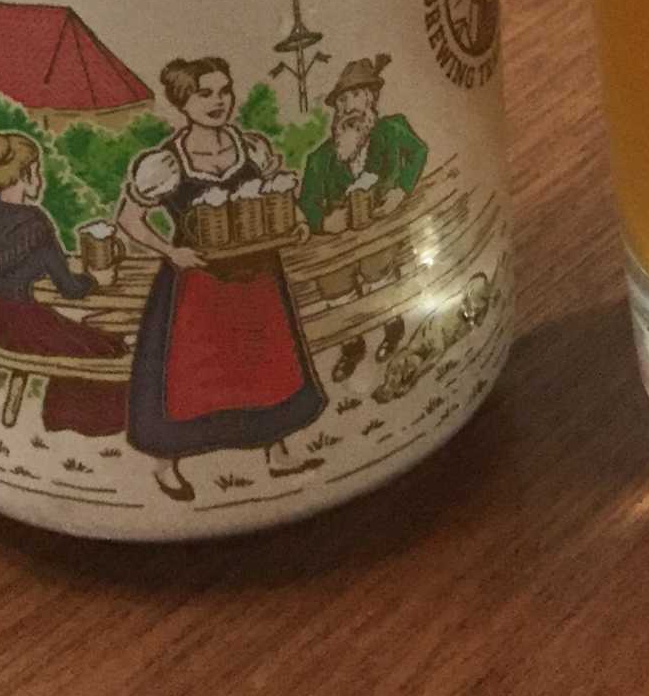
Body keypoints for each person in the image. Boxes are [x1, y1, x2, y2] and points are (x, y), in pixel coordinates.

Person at [117, 56, 326, 503]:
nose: (218, 102)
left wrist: (293, 221)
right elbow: (129, 219)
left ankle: (277, 452)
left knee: (265, 360)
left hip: (256, 277)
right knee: (192, 372)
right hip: (198, 284)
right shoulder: (166, 162)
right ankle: (166, 464)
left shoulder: (249, 147)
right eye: (204, 94)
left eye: (224, 91)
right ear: (183, 102)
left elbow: (274, 195)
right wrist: (171, 251)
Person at [0, 132, 128, 437]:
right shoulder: (36, 224)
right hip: (24, 322)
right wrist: (96, 279)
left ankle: (61, 417)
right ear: (25, 174)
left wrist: (24, 270)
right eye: (37, 171)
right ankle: (78, 421)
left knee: (81, 338)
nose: (40, 179)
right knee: (109, 346)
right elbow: (70, 289)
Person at [297, 55, 428, 232]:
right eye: (342, 100)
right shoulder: (320, 158)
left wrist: (400, 191)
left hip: (400, 229)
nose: (349, 107)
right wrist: (324, 223)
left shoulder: (392, 129)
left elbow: (419, 151)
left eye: (356, 95)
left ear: (370, 98)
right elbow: (307, 203)